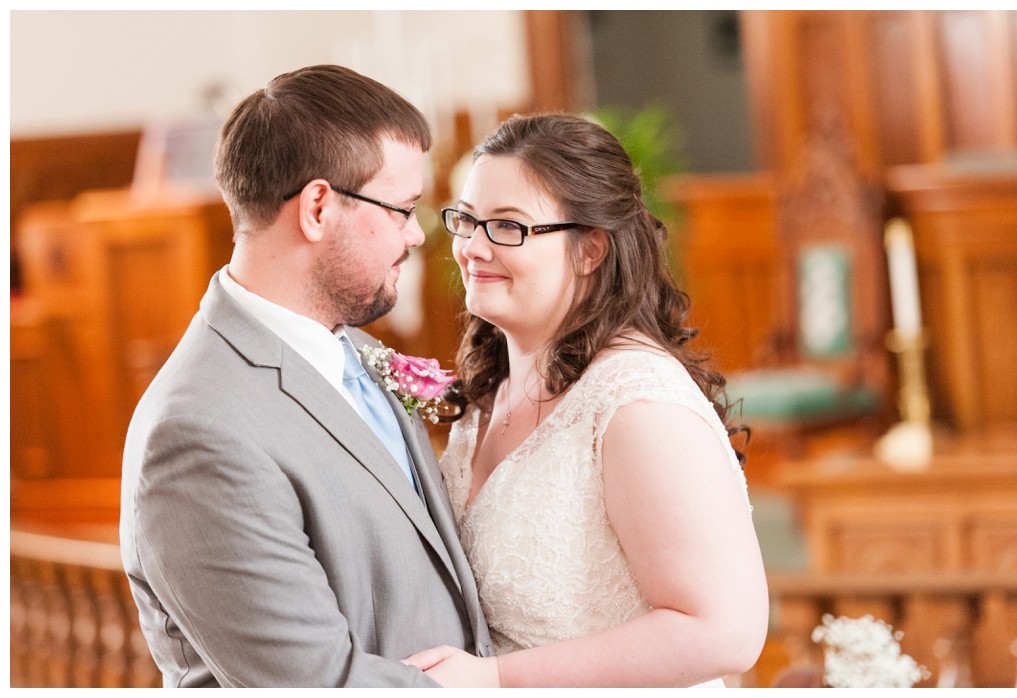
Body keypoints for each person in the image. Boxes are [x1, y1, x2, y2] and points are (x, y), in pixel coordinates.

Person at [119, 64, 492, 687]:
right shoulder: (197, 433)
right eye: (401, 209)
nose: (413, 236)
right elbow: (317, 683)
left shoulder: (351, 351)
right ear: (318, 207)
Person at [404, 113, 769, 687]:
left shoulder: (635, 403)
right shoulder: (491, 391)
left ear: (590, 249)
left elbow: (724, 631)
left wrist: (497, 679)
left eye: (508, 226)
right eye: (466, 220)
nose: (472, 247)